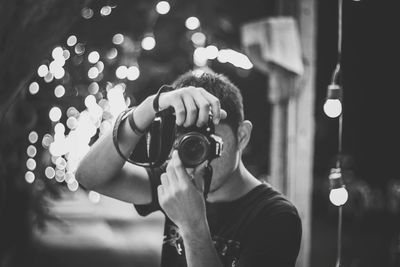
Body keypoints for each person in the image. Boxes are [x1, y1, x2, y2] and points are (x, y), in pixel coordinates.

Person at [76, 70, 302, 267]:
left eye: (206, 139)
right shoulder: (176, 180)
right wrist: (146, 108)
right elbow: (89, 177)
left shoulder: (275, 217)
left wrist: (193, 227)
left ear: (241, 136)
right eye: (186, 140)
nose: (196, 157)